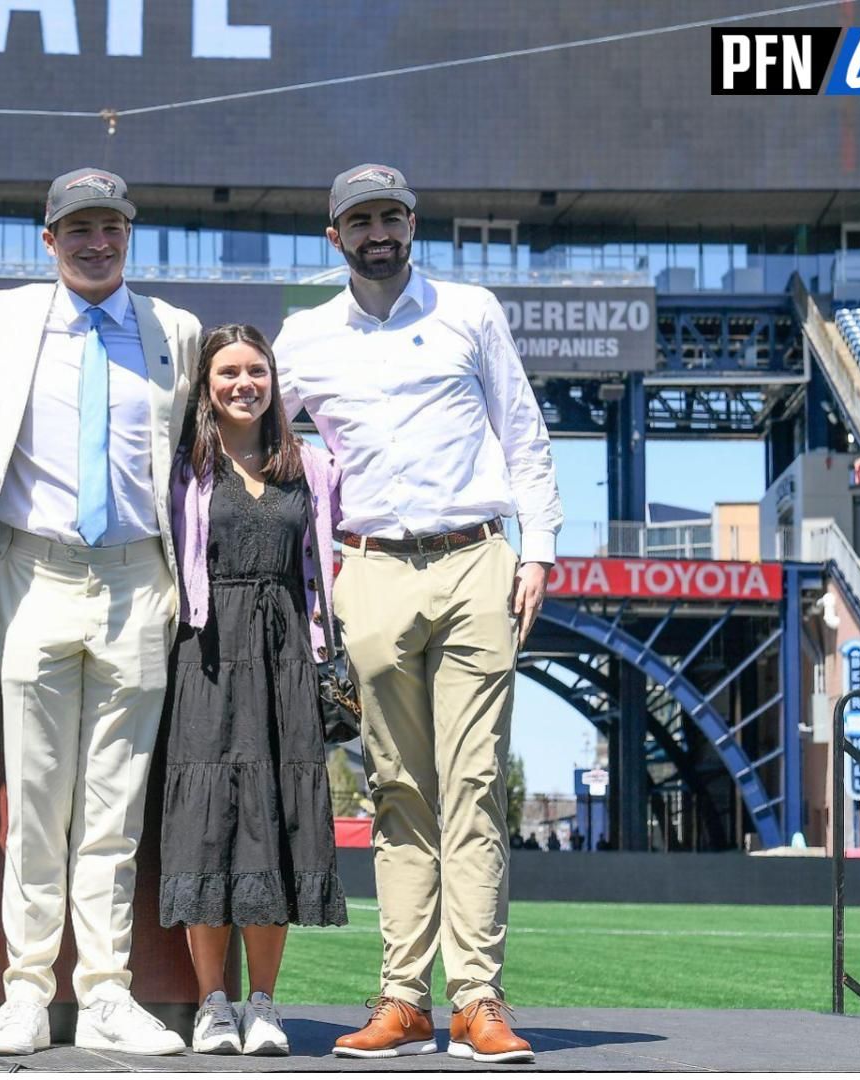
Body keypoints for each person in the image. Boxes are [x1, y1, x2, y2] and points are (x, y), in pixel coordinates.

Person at [274, 164, 562, 1065]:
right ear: (335, 237)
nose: (378, 232)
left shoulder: (470, 309)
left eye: (391, 215)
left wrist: (541, 549)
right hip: (370, 573)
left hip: (478, 559)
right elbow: (250, 430)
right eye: (359, 219)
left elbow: (523, 433)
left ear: (412, 222)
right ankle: (405, 1000)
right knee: (399, 793)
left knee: (473, 788)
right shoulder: (304, 335)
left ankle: (479, 999)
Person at [0, 168, 200, 1057]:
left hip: (139, 579)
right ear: (48, 241)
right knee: (38, 799)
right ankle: (25, 991)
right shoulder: (7, 318)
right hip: (36, 572)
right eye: (79, 230)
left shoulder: (175, 331)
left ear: (130, 235)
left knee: (113, 810)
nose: (98, 244)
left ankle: (105, 995)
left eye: (113, 229)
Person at [159, 324, 348, 1057]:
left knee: (276, 815)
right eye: (228, 371)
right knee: (205, 821)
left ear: (275, 379)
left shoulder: (312, 466)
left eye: (256, 371)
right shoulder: (183, 468)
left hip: (287, 658)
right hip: (204, 652)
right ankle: (212, 1005)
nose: (244, 384)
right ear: (205, 384)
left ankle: (263, 1005)